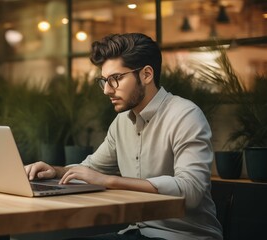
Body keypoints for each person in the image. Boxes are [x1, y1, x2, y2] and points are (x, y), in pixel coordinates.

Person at [25, 33, 223, 240]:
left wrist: (109, 180)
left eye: (116, 79)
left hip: (184, 236)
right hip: (137, 232)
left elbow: (190, 191)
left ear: (146, 74)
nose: (107, 90)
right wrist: (54, 171)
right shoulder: (121, 122)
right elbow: (91, 170)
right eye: (104, 81)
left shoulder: (185, 115)